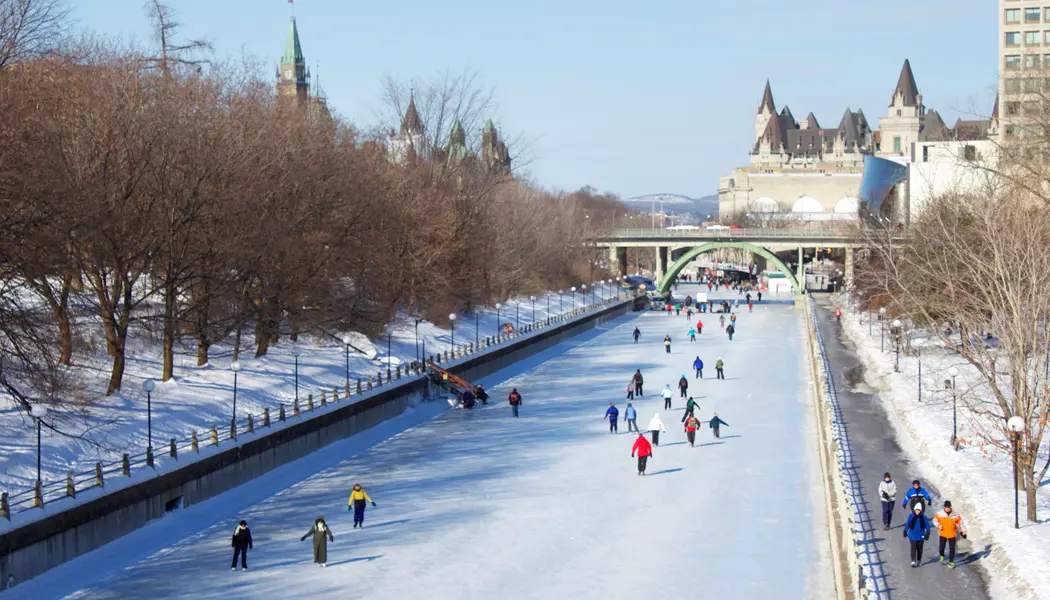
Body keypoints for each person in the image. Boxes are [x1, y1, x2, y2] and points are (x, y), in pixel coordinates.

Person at [934, 500, 967, 568]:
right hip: (943, 533)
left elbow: (960, 522)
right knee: (941, 548)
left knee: (952, 549)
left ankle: (951, 562)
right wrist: (938, 525)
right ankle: (942, 556)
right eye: (946, 507)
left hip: (952, 534)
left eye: (948, 507)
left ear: (950, 507)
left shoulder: (955, 514)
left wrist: (963, 531)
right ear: (944, 507)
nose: (947, 508)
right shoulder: (939, 513)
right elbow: (934, 520)